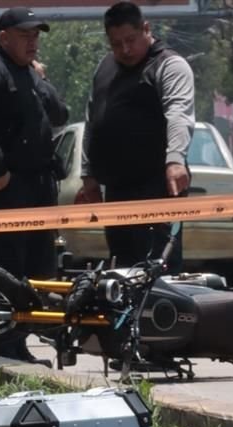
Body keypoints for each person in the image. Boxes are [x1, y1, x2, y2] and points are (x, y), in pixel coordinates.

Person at [0, 6, 69, 365]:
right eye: (25, 35)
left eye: (36, 35)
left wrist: (43, 80)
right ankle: (5, 350)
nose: (32, 41)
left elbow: (60, 114)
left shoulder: (30, 74)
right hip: (13, 187)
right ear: (4, 37)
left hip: (40, 185)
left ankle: (20, 346)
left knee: (39, 272)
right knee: (11, 271)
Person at [75, 1, 195, 269]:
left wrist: (175, 160)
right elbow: (93, 121)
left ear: (146, 29)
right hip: (117, 190)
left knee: (157, 273)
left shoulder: (169, 65)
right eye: (116, 44)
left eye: (130, 40)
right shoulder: (104, 67)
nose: (125, 50)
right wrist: (88, 174)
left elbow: (179, 114)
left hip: (157, 188)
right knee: (122, 271)